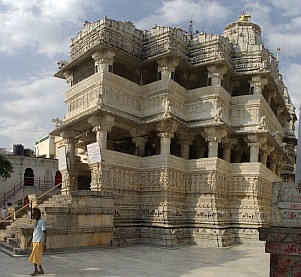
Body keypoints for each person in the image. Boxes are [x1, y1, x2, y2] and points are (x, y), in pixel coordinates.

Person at [27, 207, 47, 276]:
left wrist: (44, 243)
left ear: (37, 214)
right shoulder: (35, 222)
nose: (33, 215)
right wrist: (30, 241)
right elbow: (34, 232)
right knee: (37, 256)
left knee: (34, 255)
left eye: (34, 214)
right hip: (34, 241)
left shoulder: (41, 222)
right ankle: (41, 270)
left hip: (39, 241)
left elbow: (45, 232)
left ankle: (36, 270)